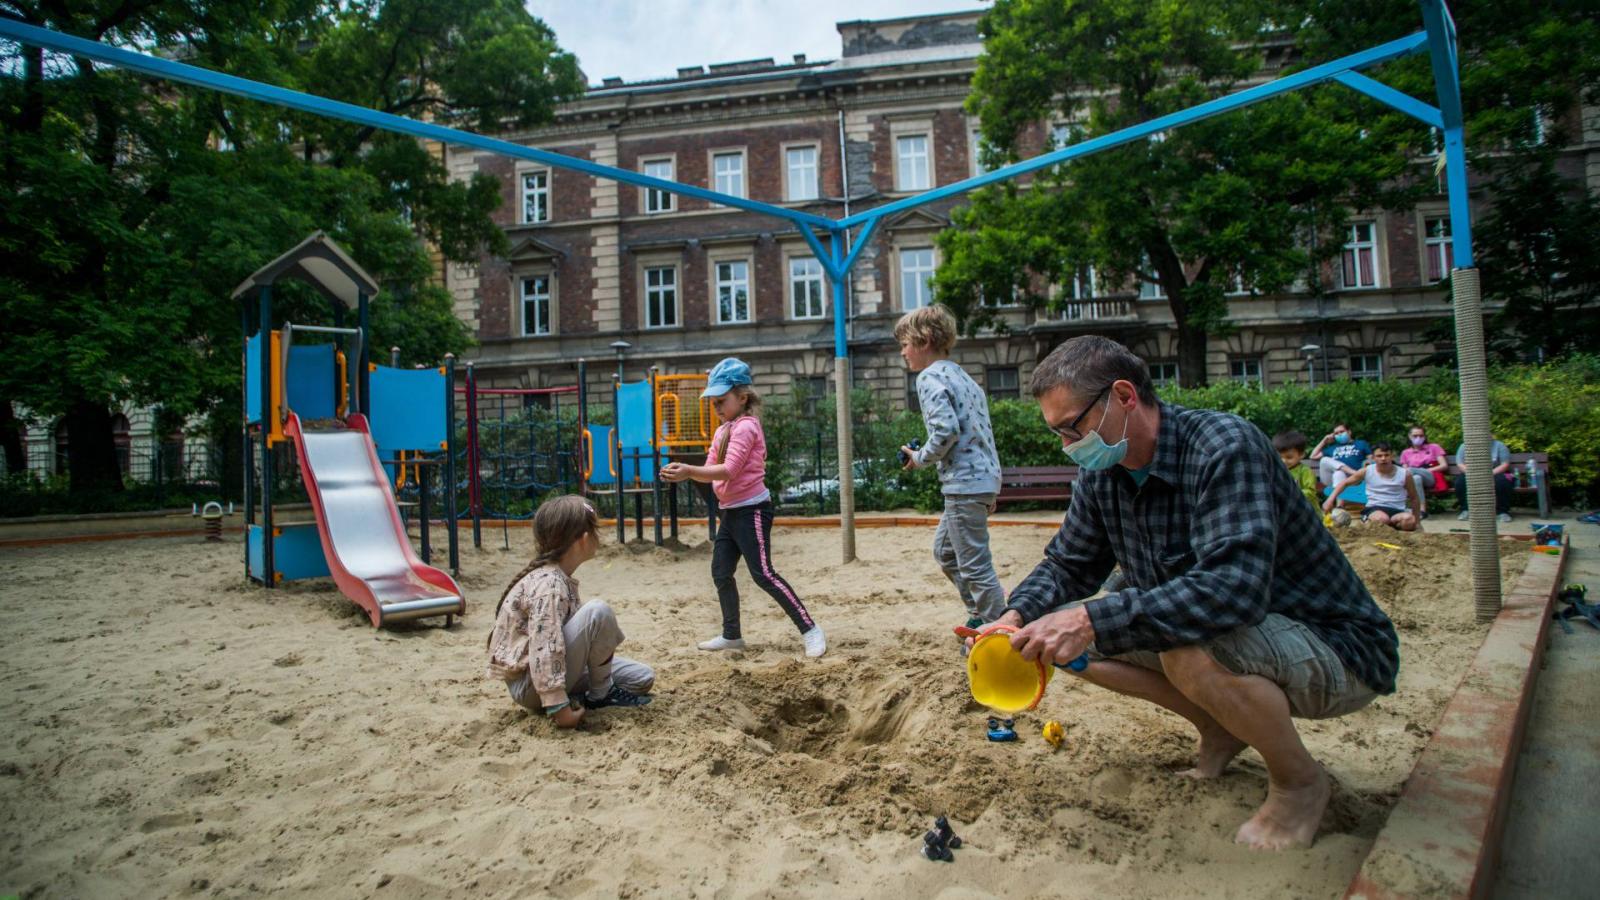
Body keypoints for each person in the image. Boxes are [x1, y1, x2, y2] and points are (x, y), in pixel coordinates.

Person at [993, 336, 1398, 850]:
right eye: (1059, 434)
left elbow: (1233, 591)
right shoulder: (1103, 475)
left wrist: (1091, 620)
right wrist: (1015, 616)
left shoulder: (1223, 446)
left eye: (1073, 427)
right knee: (1054, 634)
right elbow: (1069, 564)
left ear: (1123, 396)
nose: (1068, 445)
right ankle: (1221, 727)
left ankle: (1299, 782)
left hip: (1336, 647)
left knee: (1182, 647)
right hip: (1242, 638)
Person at [661, 358, 827, 658]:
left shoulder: (747, 426)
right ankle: (732, 635)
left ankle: (810, 630)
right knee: (721, 572)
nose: (717, 407)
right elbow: (712, 468)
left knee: (763, 574)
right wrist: (684, 471)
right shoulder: (723, 430)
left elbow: (729, 469)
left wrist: (688, 470)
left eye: (722, 400)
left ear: (743, 397)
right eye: (713, 403)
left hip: (752, 510)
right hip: (730, 512)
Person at [485, 496, 654, 728]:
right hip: (531, 684)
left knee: (642, 677)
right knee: (597, 612)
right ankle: (599, 696)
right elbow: (545, 647)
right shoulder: (550, 585)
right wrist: (559, 709)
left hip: (547, 672)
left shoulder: (558, 576)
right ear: (584, 540)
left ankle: (593, 693)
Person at [894, 304, 1006, 631]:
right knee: (946, 552)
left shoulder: (929, 377)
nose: (903, 352)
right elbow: (981, 431)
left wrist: (919, 458)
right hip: (980, 480)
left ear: (925, 339)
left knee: (974, 566)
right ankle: (981, 610)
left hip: (964, 484)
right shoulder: (963, 377)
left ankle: (997, 628)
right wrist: (990, 484)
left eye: (905, 344)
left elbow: (946, 431)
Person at [1324, 442, 1420, 531]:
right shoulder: (1367, 471)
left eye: (1386, 455)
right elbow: (1344, 483)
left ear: (1392, 456)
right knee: (1382, 519)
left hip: (1397, 510)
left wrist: (1417, 522)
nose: (1383, 458)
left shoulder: (1404, 474)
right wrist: (1330, 500)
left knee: (1409, 520)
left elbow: (1414, 498)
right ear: (1373, 458)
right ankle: (1367, 522)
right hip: (1375, 508)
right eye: (1379, 456)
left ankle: (1391, 528)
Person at [1453, 435, 1515, 523]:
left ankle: (1503, 512)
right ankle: (1466, 510)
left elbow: (1505, 464)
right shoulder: (1463, 446)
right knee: (1460, 482)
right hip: (1472, 473)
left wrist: (1489, 474)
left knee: (1503, 482)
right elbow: (1460, 464)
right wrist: (1472, 474)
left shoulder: (1499, 445)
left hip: (1496, 472)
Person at [1308, 423, 1370, 491]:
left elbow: (1371, 459)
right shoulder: (1332, 448)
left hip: (1355, 480)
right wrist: (1324, 441)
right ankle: (1354, 472)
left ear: (1349, 432)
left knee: (1339, 473)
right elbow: (1313, 456)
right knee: (1325, 460)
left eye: (1342, 431)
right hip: (1332, 480)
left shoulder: (1360, 444)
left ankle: (1338, 499)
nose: (1339, 434)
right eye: (1336, 433)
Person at [1272, 430, 1320, 511]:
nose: (1284, 461)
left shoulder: (1305, 471)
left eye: (1289, 457)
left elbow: (1311, 492)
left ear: (1301, 455)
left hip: (1307, 511)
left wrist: (1290, 493)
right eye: (1279, 457)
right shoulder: (1276, 471)